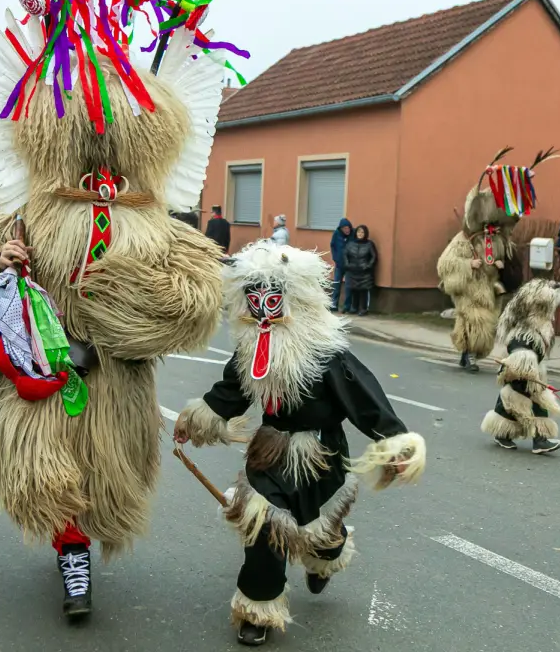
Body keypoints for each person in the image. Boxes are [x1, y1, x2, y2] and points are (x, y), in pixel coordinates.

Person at [0, 0, 235, 622]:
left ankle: (80, 543)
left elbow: (198, 299)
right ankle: (71, 555)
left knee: (105, 478)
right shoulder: (26, 211)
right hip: (41, 373)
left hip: (116, 379)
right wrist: (0, 265)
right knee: (52, 477)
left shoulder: (154, 217)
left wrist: (136, 299)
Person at [172, 240, 425, 646]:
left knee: (320, 528)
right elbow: (229, 392)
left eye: (271, 298)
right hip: (269, 453)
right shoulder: (249, 350)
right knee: (263, 526)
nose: (262, 309)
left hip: (322, 455)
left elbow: (366, 401)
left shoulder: (328, 355)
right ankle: (258, 608)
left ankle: (325, 557)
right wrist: (194, 422)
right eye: (253, 298)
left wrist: (395, 441)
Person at [437, 148, 559, 373]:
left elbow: (512, 263)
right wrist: (467, 265)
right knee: (476, 320)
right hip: (471, 288)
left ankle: (467, 354)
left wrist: (504, 266)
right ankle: (470, 357)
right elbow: (446, 263)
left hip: (491, 289)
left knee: (488, 325)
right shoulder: (464, 240)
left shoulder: (500, 240)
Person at [481, 279, 560, 453]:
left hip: (533, 371)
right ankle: (511, 434)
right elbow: (516, 350)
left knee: (529, 399)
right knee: (517, 400)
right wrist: (524, 366)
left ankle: (536, 439)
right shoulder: (522, 332)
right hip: (520, 370)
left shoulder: (541, 326)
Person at [343, 225, 377, 316]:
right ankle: (354, 307)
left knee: (363, 291)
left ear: (365, 233)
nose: (360, 234)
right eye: (358, 232)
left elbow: (374, 257)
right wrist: (347, 265)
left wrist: (368, 266)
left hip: (364, 272)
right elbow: (345, 254)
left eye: (362, 232)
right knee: (354, 290)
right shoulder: (350, 244)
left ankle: (363, 309)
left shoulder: (369, 244)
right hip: (353, 270)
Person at [329, 217, 353, 312]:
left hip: (349, 265)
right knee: (336, 284)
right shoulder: (336, 234)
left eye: (348, 228)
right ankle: (334, 304)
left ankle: (347, 306)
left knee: (348, 286)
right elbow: (332, 245)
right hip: (339, 264)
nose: (347, 230)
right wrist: (335, 258)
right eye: (345, 228)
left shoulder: (353, 234)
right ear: (341, 229)